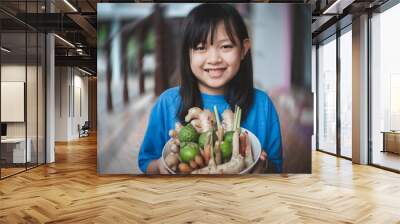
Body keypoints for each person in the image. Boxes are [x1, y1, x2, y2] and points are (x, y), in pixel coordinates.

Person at [138, 3, 282, 174]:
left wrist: (264, 166)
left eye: (226, 46)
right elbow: (146, 161)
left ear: (243, 50)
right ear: (187, 54)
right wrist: (160, 166)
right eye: (201, 47)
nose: (214, 59)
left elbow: (277, 165)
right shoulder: (167, 102)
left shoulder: (262, 104)